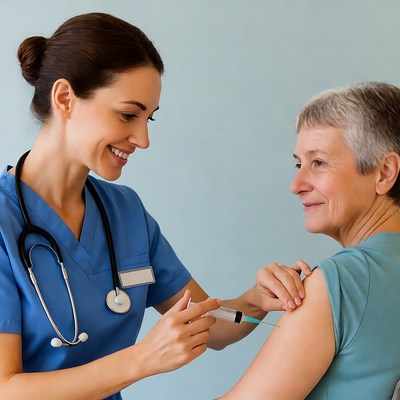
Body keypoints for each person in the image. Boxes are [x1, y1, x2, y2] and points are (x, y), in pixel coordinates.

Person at [0, 12, 311, 399]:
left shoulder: (125, 213)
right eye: (128, 114)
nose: (143, 139)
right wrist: (143, 359)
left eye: (149, 118)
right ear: (65, 98)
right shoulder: (4, 223)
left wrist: (256, 300)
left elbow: (209, 326)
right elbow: (6, 388)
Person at [217, 82, 400, 399]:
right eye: (298, 164)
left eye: (318, 162)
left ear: (384, 172)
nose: (296, 184)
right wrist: (252, 300)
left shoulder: (342, 281)